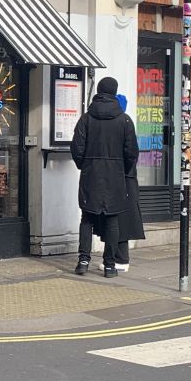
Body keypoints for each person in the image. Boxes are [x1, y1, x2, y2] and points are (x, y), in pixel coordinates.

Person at [70, 77, 139, 278]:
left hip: (90, 175)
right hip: (115, 176)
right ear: (114, 92)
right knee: (112, 219)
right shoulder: (125, 120)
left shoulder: (86, 119)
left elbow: (76, 148)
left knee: (87, 218)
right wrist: (122, 169)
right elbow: (132, 152)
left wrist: (85, 165)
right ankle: (110, 265)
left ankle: (83, 261)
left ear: (98, 91)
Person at [95, 93, 145, 272]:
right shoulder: (124, 122)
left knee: (119, 219)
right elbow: (132, 153)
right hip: (125, 177)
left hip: (121, 178)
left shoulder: (121, 123)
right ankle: (114, 257)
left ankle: (121, 259)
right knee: (116, 218)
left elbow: (131, 153)